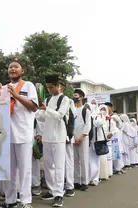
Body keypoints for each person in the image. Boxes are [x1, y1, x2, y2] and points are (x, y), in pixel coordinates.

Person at [0, 57, 38, 208]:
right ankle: (10, 200)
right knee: (9, 171)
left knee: (25, 170)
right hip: (7, 135)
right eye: (10, 67)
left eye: (16, 67)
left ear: (22, 71)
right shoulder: (4, 87)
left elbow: (34, 107)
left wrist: (16, 95)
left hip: (23, 133)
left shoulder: (28, 85)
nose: (12, 69)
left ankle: (26, 201)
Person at [38, 74, 69, 207]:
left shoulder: (64, 99)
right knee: (48, 165)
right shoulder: (48, 99)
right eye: (47, 88)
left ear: (58, 86)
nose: (49, 90)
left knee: (59, 166)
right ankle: (51, 190)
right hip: (47, 137)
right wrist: (37, 110)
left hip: (59, 138)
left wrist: (46, 109)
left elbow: (60, 115)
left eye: (51, 87)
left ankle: (58, 194)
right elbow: (42, 118)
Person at [57, 78, 76, 198]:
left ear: (62, 87)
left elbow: (72, 119)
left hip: (66, 135)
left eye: (56, 86)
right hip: (55, 136)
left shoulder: (68, 101)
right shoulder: (50, 100)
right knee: (57, 162)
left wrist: (69, 135)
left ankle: (70, 186)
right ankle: (58, 186)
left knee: (68, 161)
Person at [72, 89, 91, 192]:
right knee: (75, 161)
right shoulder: (72, 110)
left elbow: (88, 125)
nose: (74, 97)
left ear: (81, 97)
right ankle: (76, 181)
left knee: (83, 160)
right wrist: (74, 137)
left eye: (76, 95)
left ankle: (85, 182)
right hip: (74, 139)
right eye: (73, 95)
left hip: (83, 138)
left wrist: (81, 137)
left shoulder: (86, 110)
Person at [88, 104, 109, 186]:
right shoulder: (90, 116)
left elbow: (99, 123)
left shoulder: (98, 116)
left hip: (96, 141)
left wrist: (92, 119)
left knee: (95, 160)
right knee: (89, 161)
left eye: (88, 107)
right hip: (89, 141)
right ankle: (89, 178)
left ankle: (95, 179)